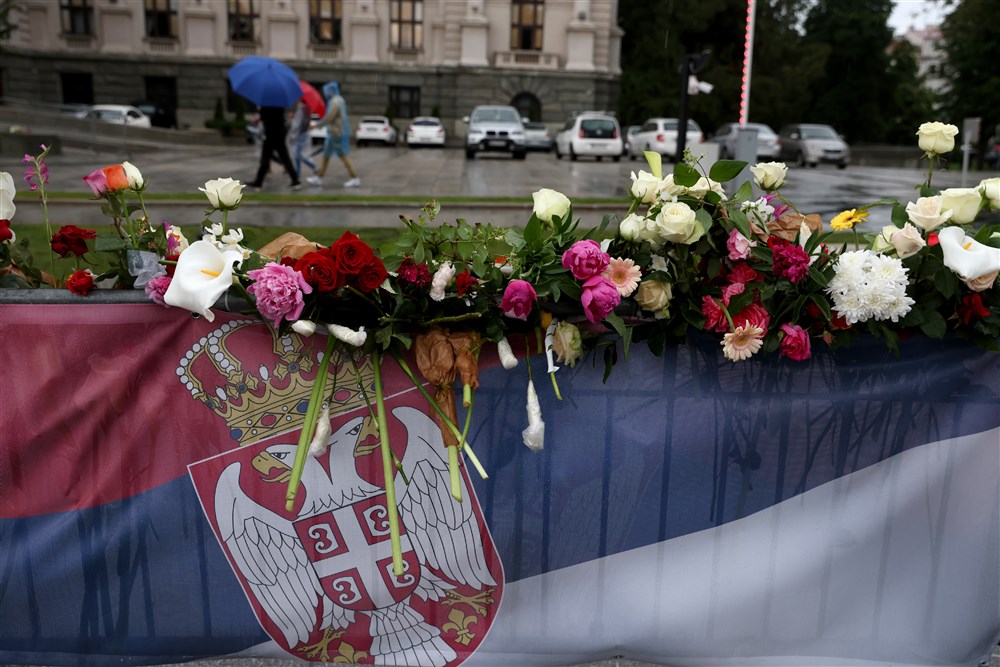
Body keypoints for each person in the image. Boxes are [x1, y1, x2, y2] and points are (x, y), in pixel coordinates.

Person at [308, 81, 360, 188]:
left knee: (342, 156)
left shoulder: (335, 102)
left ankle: (355, 178)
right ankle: (319, 177)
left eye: (327, 91)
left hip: (335, 133)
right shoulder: (339, 100)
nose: (325, 93)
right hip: (336, 132)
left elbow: (330, 117)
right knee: (326, 155)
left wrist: (317, 125)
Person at [248, 105, 301, 191]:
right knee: (285, 158)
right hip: (279, 133)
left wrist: (260, 109)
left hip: (270, 134)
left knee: (265, 159)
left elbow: (264, 116)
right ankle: (295, 181)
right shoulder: (279, 104)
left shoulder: (266, 104)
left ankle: (258, 183)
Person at [289, 100, 318, 181]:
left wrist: (295, 133)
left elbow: (298, 123)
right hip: (304, 133)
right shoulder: (307, 108)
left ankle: (313, 167)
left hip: (300, 134)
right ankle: (297, 171)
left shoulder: (301, 108)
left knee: (297, 154)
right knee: (297, 154)